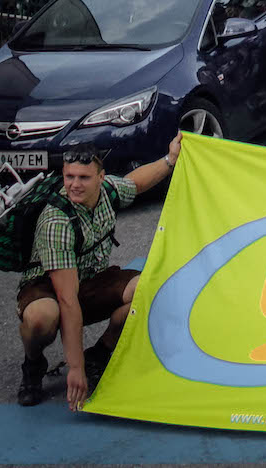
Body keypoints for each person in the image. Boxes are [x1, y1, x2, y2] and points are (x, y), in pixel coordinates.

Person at [16, 136, 182, 409]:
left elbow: (136, 183)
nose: (74, 185)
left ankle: (100, 354)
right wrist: (75, 368)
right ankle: (33, 363)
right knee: (40, 318)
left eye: (83, 177)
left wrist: (169, 160)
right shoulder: (56, 221)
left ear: (101, 178)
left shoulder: (108, 189)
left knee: (150, 289)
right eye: (69, 177)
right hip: (49, 288)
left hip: (91, 280)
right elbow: (68, 300)